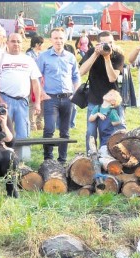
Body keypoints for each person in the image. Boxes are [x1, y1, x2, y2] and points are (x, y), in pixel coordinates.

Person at [37, 27, 80, 164]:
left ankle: (62, 160)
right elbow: (37, 77)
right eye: (55, 38)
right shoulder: (43, 56)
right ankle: (48, 159)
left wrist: (75, 93)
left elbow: (76, 77)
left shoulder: (71, 57)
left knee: (65, 131)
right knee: (49, 129)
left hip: (68, 98)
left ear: (65, 39)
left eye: (61, 38)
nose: (58, 41)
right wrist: (42, 93)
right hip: (51, 98)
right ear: (51, 40)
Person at [0, 33, 42, 140]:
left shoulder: (28, 60)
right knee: (4, 132)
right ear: (7, 42)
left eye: (18, 42)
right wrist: (0, 100)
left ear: (22, 44)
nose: (16, 44)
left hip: (22, 101)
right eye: (13, 41)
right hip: (5, 100)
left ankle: (23, 156)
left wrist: (37, 103)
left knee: (23, 133)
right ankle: (5, 155)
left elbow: (35, 83)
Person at [79, 31, 125, 150]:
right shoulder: (91, 52)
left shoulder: (117, 55)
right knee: (91, 132)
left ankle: (108, 157)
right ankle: (91, 158)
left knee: (110, 132)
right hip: (94, 98)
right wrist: (95, 54)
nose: (108, 46)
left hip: (112, 100)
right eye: (104, 43)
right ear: (98, 43)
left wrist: (107, 58)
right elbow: (81, 72)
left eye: (110, 42)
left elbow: (112, 78)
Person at [26, 35, 45, 132]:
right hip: (32, 82)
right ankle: (32, 124)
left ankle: (39, 122)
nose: (43, 46)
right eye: (41, 44)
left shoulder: (42, 54)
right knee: (32, 103)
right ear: (37, 44)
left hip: (42, 82)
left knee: (42, 102)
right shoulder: (28, 55)